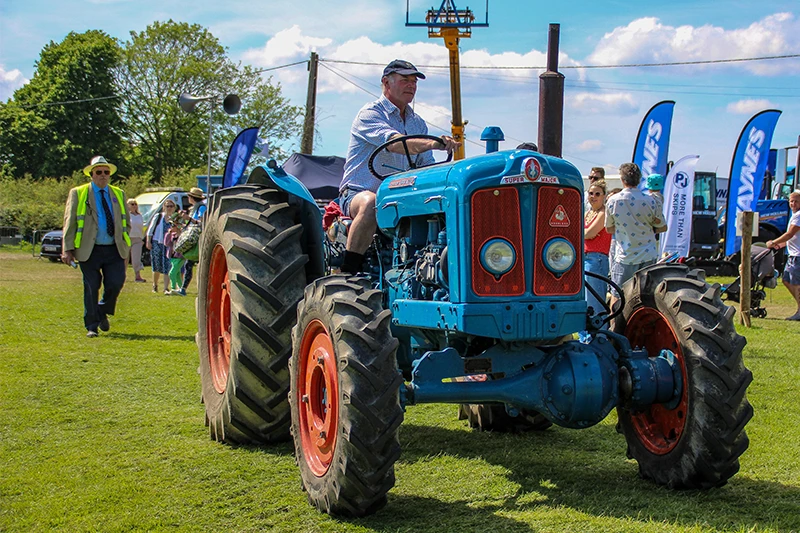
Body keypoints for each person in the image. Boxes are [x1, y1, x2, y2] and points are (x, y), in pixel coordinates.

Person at [338, 59, 461, 274]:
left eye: (414, 82)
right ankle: (349, 272)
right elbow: (396, 144)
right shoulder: (370, 114)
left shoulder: (417, 123)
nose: (411, 86)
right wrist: (434, 142)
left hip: (401, 199)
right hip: (359, 193)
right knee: (370, 203)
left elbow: (427, 166)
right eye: (405, 80)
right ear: (386, 82)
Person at [61, 156, 131, 337]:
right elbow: (70, 222)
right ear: (91, 174)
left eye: (106, 172)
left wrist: (125, 245)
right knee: (91, 285)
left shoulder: (118, 194)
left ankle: (102, 311)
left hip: (113, 247)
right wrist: (67, 248)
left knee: (115, 283)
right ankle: (91, 326)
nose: (103, 175)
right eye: (98, 172)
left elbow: (126, 222)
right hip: (88, 249)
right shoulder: (78, 192)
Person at [605, 163, 667, 309]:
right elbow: (662, 227)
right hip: (648, 254)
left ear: (622, 179)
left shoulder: (613, 200)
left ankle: (614, 326)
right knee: (647, 296)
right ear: (639, 180)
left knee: (617, 294)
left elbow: (609, 229)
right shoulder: (652, 200)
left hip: (625, 255)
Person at [767, 191, 800, 320]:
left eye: (796, 201)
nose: (793, 204)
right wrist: (780, 245)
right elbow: (793, 238)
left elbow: (790, 234)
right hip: (793, 254)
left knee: (796, 283)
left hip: (797, 256)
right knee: (786, 280)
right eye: (791, 201)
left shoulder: (798, 216)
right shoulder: (794, 215)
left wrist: (773, 242)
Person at [584, 179, 611, 322]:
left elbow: (589, 233)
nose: (593, 196)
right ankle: (585, 335)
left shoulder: (603, 213)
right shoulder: (588, 213)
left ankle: (599, 335)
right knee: (586, 300)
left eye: (597, 194)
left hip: (597, 259)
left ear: (604, 196)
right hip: (585, 258)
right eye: (590, 193)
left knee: (595, 300)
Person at [178, 187, 206, 295]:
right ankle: (183, 288)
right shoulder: (194, 208)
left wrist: (188, 219)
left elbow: (201, 222)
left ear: (191, 197)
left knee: (192, 264)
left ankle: (185, 289)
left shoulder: (201, 208)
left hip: (198, 239)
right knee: (188, 265)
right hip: (193, 238)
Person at [146, 199, 175, 295]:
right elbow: (150, 230)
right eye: (167, 206)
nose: (169, 208)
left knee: (167, 266)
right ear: (164, 207)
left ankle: (166, 288)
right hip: (157, 243)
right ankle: (155, 285)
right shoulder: (158, 217)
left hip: (169, 245)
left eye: (171, 206)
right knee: (156, 266)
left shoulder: (175, 218)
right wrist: (148, 241)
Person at [164, 218, 186, 296]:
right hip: (173, 256)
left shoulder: (183, 234)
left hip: (181, 257)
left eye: (174, 225)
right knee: (177, 274)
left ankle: (173, 288)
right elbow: (167, 244)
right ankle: (181, 288)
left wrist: (180, 233)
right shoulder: (171, 235)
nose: (172, 227)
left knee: (172, 273)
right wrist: (169, 234)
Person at [127, 198, 146, 282]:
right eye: (132, 204)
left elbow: (142, 227)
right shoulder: (126, 215)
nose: (134, 206)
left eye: (135, 204)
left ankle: (137, 276)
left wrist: (142, 238)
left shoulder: (140, 216)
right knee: (125, 258)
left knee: (136, 259)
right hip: (127, 238)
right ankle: (122, 276)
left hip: (137, 239)